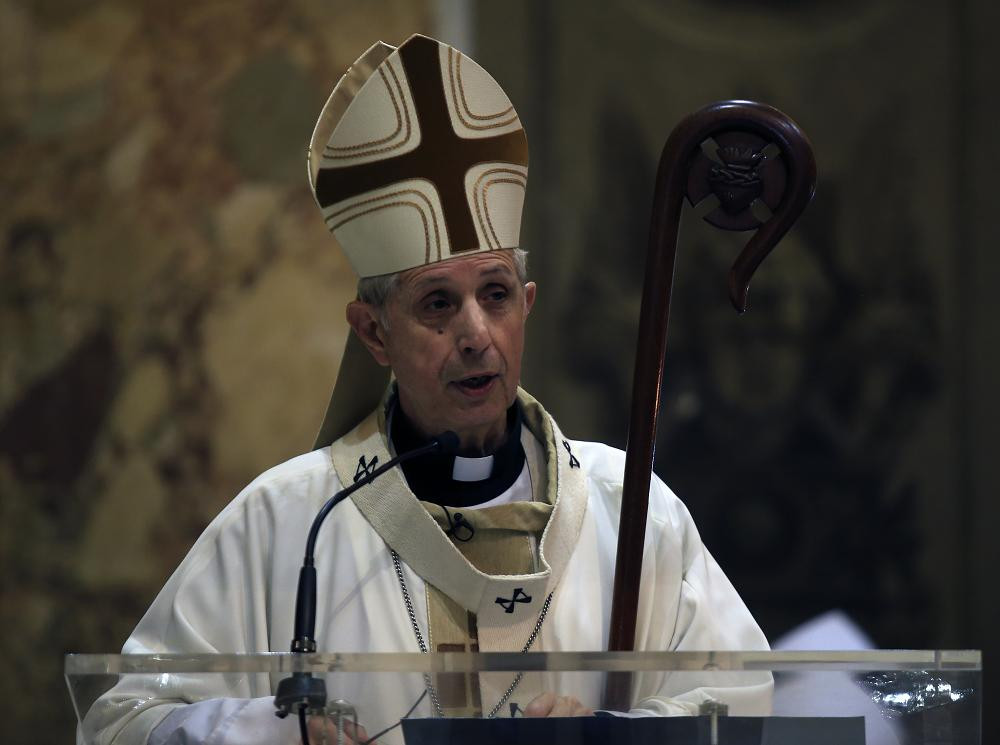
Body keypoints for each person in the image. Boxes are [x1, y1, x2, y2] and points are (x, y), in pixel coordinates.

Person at [82, 34, 770, 745]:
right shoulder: (287, 522)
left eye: (496, 294)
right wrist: (269, 734)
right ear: (374, 333)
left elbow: (746, 705)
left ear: (527, 305)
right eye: (438, 304)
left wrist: (614, 733)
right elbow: (121, 723)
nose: (476, 333)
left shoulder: (629, 511)